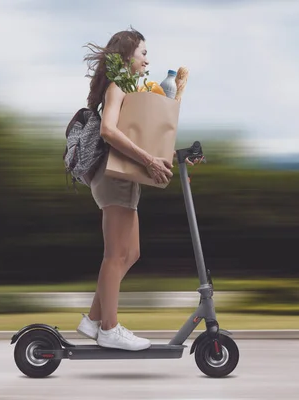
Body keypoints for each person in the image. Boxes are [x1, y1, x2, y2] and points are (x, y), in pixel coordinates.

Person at [76, 27, 201, 351]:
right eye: (143, 53)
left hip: (123, 182)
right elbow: (108, 131)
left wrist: (170, 158)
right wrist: (148, 159)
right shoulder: (117, 87)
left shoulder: (133, 93)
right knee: (116, 255)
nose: (147, 59)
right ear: (126, 56)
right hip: (113, 180)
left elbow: (139, 140)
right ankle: (109, 328)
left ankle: (92, 320)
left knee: (130, 254)